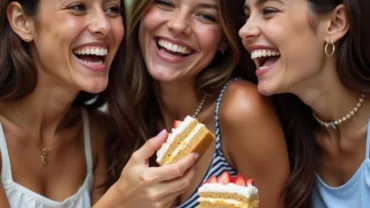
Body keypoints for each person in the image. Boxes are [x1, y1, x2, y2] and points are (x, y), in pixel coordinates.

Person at [0, 1, 196, 207]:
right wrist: (121, 200)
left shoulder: (97, 134)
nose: (103, 26)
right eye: (77, 7)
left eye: (112, 9)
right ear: (22, 21)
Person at [107, 0, 290, 207]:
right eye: (166, 3)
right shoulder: (124, 111)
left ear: (224, 38)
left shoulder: (240, 108)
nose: (178, 25)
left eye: (205, 16)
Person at [239, 0, 370, 207]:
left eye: (269, 11)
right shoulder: (281, 135)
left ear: (335, 23)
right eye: (247, 15)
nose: (244, 31)